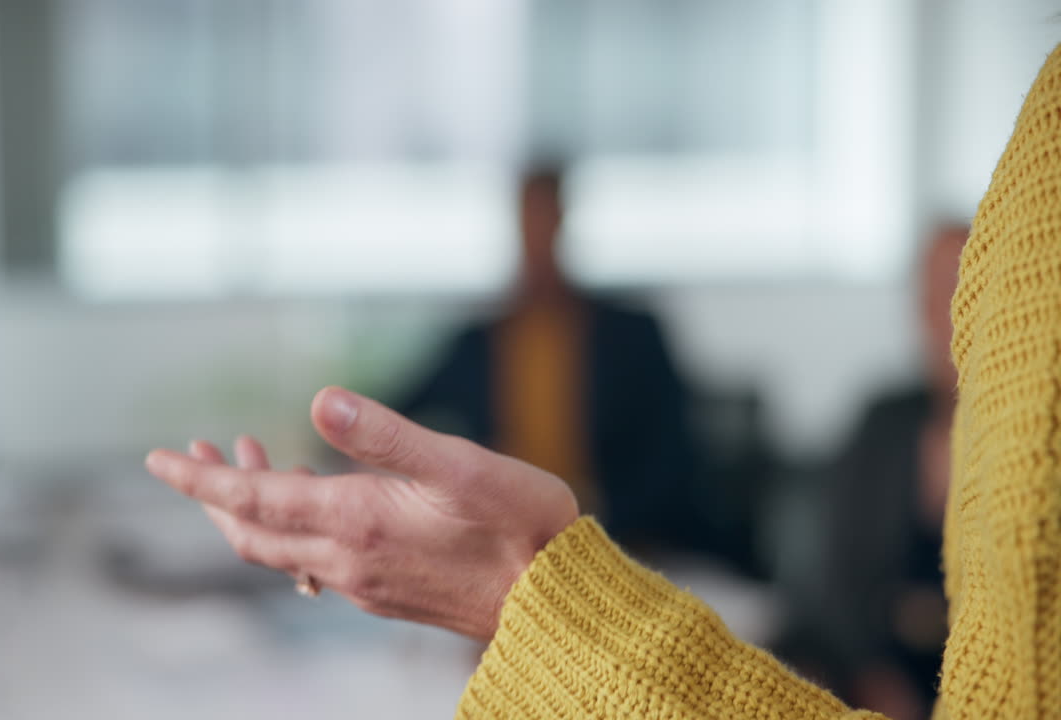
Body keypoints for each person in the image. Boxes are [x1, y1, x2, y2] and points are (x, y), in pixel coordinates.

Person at [146, 45, 1061, 719]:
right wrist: (334, 461)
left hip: (620, 543)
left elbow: (683, 472)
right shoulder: (481, 334)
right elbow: (395, 406)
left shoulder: (632, 335)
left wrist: (555, 565)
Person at [393, 166, 697, 551]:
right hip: (504, 537)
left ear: (562, 221)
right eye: (528, 218)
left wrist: (597, 515)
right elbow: (398, 414)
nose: (536, 234)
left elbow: (674, 458)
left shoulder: (632, 337)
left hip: (619, 538)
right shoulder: (477, 344)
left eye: (545, 217)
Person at [795, 225, 968, 719]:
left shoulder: (1030, 437)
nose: (950, 318)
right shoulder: (881, 423)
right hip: (875, 674)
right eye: (935, 297)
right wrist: (872, 676)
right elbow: (832, 581)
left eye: (963, 293)